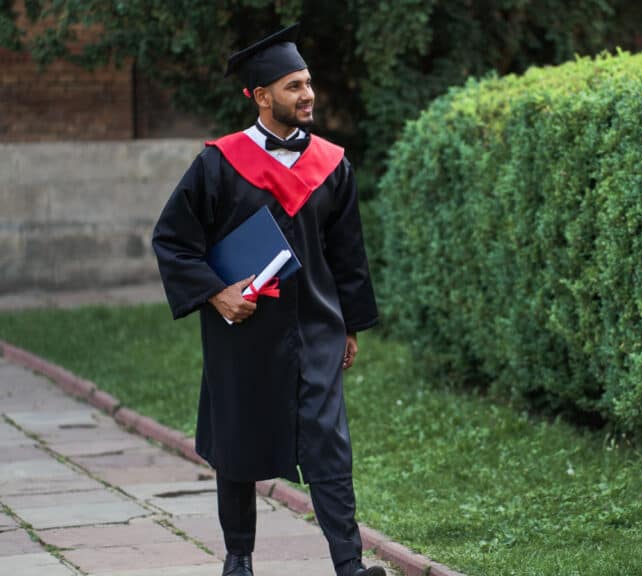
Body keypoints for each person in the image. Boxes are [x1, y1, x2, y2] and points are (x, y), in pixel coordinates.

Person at [151, 23, 383, 576]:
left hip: (316, 328)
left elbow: (347, 254)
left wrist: (349, 324)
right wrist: (215, 294)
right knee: (238, 443)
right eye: (292, 86)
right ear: (260, 96)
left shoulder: (332, 164)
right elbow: (173, 240)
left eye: (307, 83)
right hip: (244, 327)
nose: (307, 95)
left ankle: (349, 566)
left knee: (330, 446)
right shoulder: (218, 164)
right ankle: (239, 561)